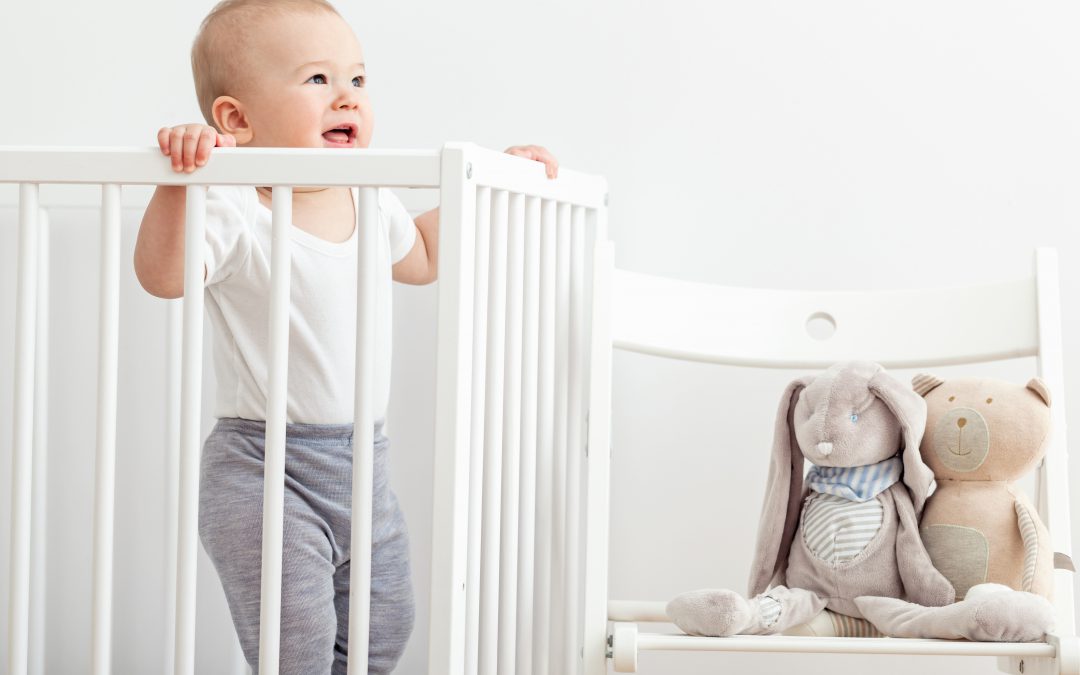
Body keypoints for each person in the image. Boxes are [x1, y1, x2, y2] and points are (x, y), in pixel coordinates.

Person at [133, 1, 558, 672]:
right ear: (236, 121)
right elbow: (161, 276)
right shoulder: (237, 206)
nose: (347, 98)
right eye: (318, 80)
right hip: (264, 470)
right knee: (296, 643)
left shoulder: (367, 196)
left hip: (365, 463)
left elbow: (421, 253)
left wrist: (503, 185)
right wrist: (182, 182)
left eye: (357, 81)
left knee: (384, 625)